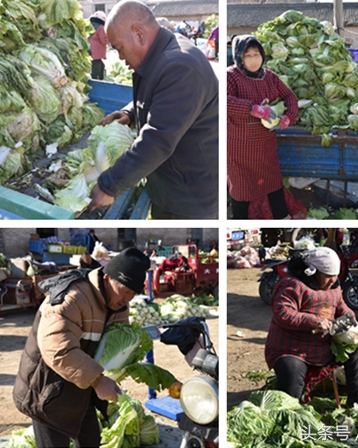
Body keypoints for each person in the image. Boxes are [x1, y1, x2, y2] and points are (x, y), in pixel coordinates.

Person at [89, 0, 218, 219]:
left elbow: (157, 139)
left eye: (119, 48)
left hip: (189, 198)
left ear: (138, 34)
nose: (119, 57)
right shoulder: (164, 53)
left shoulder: (180, 66)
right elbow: (161, 96)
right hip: (173, 185)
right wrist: (130, 113)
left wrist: (109, 186)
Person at [13, 247, 150, 448]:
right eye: (125, 291)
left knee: (91, 441)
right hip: (47, 391)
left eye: (133, 294)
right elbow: (58, 350)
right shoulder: (72, 297)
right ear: (107, 278)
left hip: (79, 388)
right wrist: (97, 380)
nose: (127, 299)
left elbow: (113, 341)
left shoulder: (119, 304)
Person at [265, 247, 358, 408]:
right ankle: (290, 408)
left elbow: (341, 307)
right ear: (313, 272)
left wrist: (350, 318)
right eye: (328, 277)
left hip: (323, 347)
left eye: (335, 276)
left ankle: (357, 395)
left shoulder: (334, 287)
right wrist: (314, 321)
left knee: (356, 349)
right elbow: (282, 312)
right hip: (291, 349)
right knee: (291, 370)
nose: (333, 281)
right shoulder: (292, 284)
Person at [227, 35, 299, 219]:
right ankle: (239, 221)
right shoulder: (231, 76)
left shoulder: (270, 77)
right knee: (241, 191)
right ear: (239, 57)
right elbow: (224, 101)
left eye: (256, 54)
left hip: (265, 146)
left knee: (273, 184)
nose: (253, 59)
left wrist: (288, 118)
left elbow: (290, 97)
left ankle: (283, 219)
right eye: (247, 55)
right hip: (239, 149)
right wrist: (253, 109)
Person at [88, 11, 109, 80]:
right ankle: (98, 83)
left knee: (100, 66)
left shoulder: (90, 25)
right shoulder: (100, 27)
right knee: (97, 69)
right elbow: (104, 40)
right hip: (96, 52)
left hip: (89, 50)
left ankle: (99, 80)